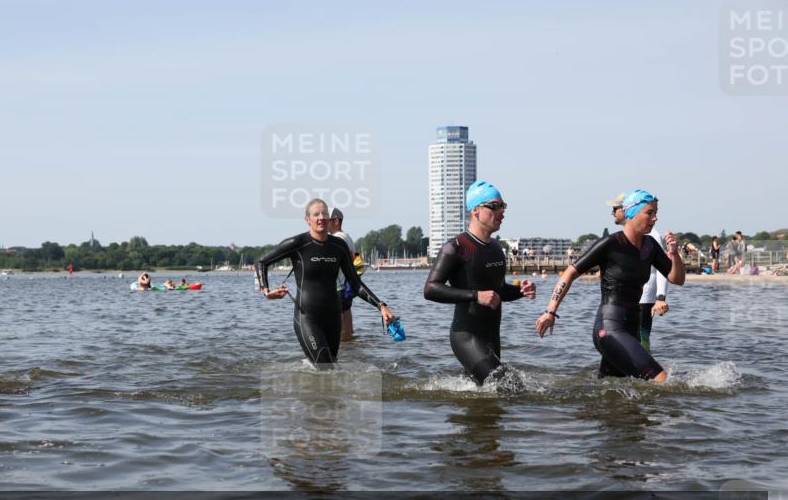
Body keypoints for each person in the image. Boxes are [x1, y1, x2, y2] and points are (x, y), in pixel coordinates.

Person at [536, 189, 685, 382]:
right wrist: (550, 312)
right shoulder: (610, 243)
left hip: (632, 328)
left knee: (610, 392)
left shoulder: (650, 245)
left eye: (656, 213)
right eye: (650, 212)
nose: (655, 218)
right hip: (610, 328)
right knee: (663, 381)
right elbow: (569, 273)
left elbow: (677, 279)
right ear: (632, 213)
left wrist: (674, 254)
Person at [255, 198, 395, 367]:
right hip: (307, 317)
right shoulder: (298, 244)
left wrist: (381, 306)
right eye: (316, 214)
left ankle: (311, 389)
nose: (321, 217)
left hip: (333, 317)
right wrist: (266, 291)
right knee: (326, 367)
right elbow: (262, 262)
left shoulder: (339, 246)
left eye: (325, 214)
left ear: (330, 219)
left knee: (332, 368)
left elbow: (355, 283)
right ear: (308, 220)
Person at [423, 181, 536, 384]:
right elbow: (430, 289)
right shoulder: (455, 247)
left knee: (487, 401)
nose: (501, 211)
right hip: (466, 336)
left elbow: (497, 291)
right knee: (509, 386)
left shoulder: (495, 248)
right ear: (476, 210)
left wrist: (520, 291)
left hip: (492, 336)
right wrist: (475, 295)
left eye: (503, 206)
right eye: (494, 206)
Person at [607, 193, 669, 352]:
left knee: (641, 339)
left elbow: (663, 270)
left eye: (615, 209)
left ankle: (647, 372)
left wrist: (660, 297)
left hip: (644, 299)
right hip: (624, 300)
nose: (612, 213)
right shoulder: (622, 238)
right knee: (623, 340)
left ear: (626, 209)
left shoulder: (651, 236)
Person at [328, 207, 357, 341]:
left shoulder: (337, 239)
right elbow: (358, 263)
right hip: (347, 286)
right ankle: (348, 343)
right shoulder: (348, 237)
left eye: (328, 220)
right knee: (347, 314)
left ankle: (342, 345)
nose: (324, 222)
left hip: (338, 285)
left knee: (336, 330)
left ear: (336, 221)